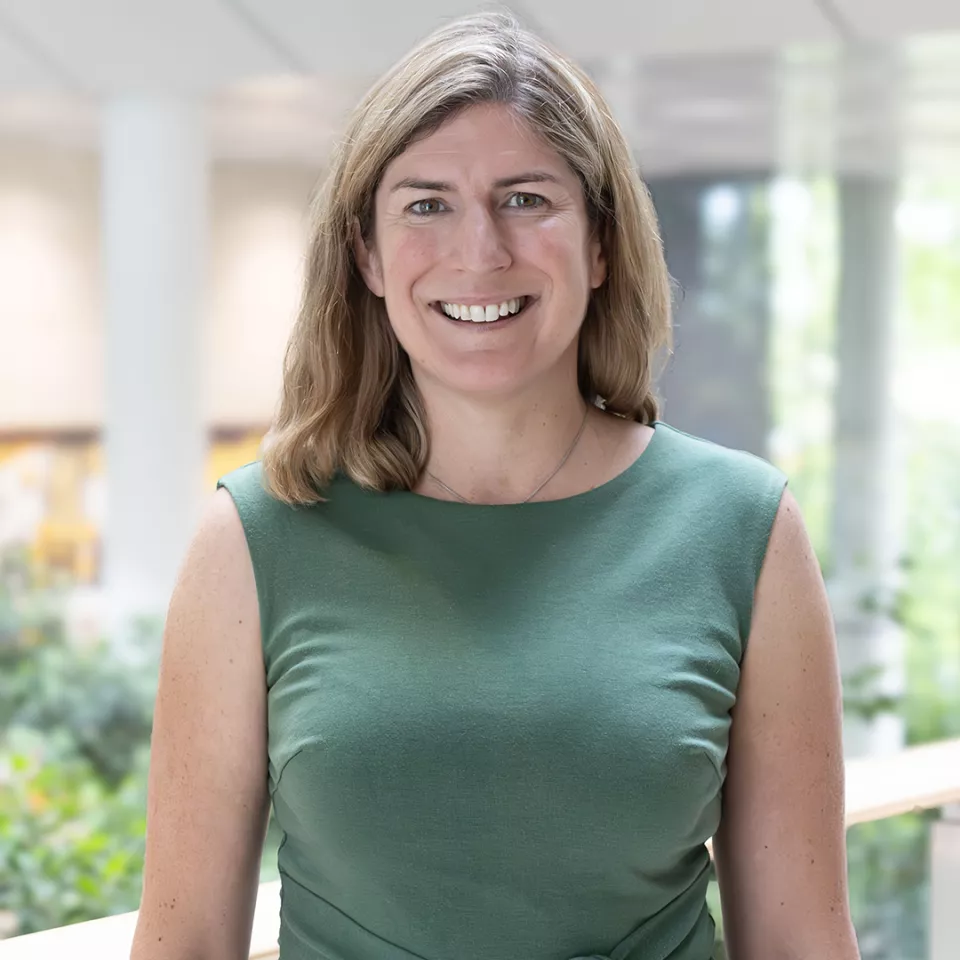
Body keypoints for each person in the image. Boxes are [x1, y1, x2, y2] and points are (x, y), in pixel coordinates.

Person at [131, 11, 860, 960]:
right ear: (368, 256)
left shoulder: (741, 530)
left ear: (601, 245)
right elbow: (182, 944)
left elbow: (802, 940)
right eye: (426, 204)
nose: (480, 251)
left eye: (525, 199)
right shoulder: (257, 537)